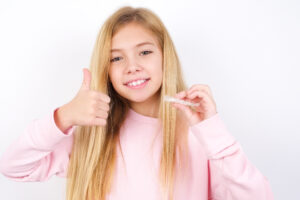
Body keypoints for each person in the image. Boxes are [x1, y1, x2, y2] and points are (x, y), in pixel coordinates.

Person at [0, 6, 274, 200]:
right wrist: (63, 117)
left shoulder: (201, 136)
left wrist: (214, 133)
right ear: (105, 69)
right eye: (116, 58)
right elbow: (13, 167)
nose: (132, 66)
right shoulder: (94, 136)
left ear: (165, 57)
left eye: (144, 52)